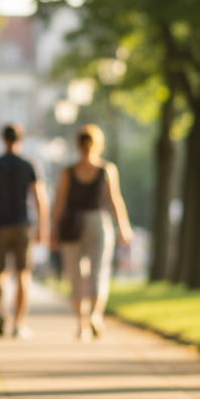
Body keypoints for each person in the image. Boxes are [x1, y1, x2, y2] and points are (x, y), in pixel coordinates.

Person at [50, 125, 133, 340]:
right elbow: (115, 200)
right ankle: (95, 315)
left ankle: (82, 322)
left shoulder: (68, 172)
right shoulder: (107, 170)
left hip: (71, 225)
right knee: (98, 273)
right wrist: (123, 226)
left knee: (75, 276)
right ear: (99, 144)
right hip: (99, 223)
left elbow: (59, 203)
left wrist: (53, 229)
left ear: (77, 145)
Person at [0, 124, 49, 339]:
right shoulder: (29, 165)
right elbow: (40, 199)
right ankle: (18, 323)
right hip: (22, 225)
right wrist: (42, 228)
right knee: (23, 274)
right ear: (20, 140)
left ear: (3, 140)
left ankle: (1, 313)